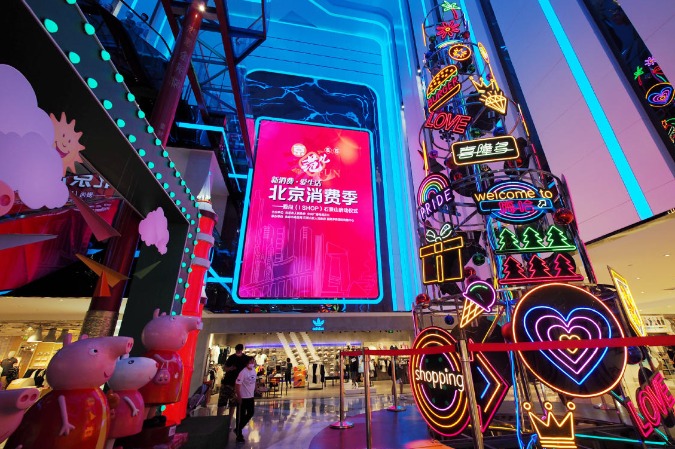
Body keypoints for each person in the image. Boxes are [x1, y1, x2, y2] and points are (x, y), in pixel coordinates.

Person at [217, 344, 249, 424]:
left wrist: (230, 368)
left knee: (227, 402)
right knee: (230, 403)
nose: (238, 352)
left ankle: (222, 420)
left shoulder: (235, 357)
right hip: (233, 383)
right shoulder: (243, 358)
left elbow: (225, 368)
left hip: (231, 383)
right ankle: (227, 420)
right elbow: (225, 368)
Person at [234, 357, 257, 443]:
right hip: (243, 397)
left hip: (250, 396)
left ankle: (238, 428)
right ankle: (239, 434)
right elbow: (237, 385)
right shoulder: (243, 372)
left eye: (253, 361)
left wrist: (256, 388)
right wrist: (239, 396)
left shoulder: (253, 370)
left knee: (251, 413)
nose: (252, 363)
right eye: (251, 361)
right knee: (241, 415)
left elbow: (254, 381)